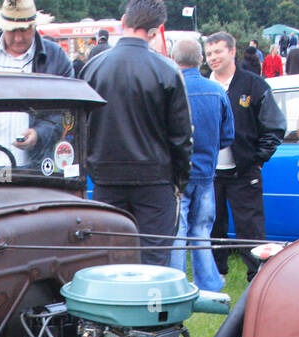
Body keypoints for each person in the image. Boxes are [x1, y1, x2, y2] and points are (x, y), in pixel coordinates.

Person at [80, 0, 191, 267]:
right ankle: (151, 307)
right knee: (153, 260)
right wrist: (180, 179)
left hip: (106, 179)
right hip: (154, 179)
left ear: (123, 21)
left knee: (109, 259)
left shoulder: (93, 68)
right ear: (155, 31)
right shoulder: (166, 71)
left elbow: (78, 128)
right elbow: (180, 136)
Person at [203, 31, 284, 284]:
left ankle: (257, 278)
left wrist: (257, 158)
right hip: (210, 173)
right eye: (209, 53)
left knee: (250, 228)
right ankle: (216, 274)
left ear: (232, 51)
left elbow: (274, 126)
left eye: (218, 52)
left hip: (244, 172)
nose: (213, 58)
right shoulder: (203, 87)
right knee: (213, 227)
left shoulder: (254, 85)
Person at [0, 0, 74, 168]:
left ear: (35, 25)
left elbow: (68, 113)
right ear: (2, 26)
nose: (19, 37)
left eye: (25, 29)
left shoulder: (56, 58)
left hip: (32, 172)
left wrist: (39, 134)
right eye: (12, 30)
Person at [170, 39, 232, 293]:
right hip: (207, 173)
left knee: (177, 233)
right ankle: (210, 283)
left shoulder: (172, 90)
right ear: (200, 60)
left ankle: (175, 284)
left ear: (174, 59)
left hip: (178, 176)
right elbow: (227, 136)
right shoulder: (216, 91)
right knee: (202, 229)